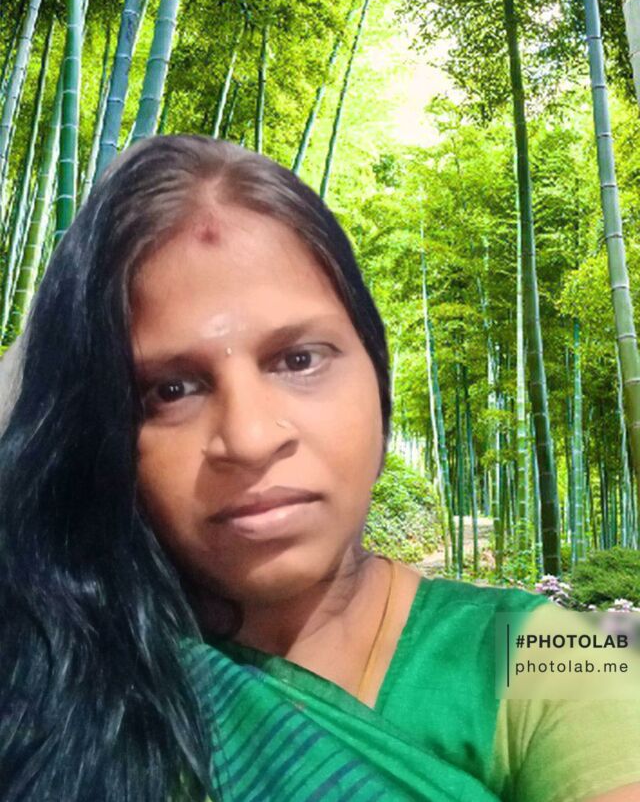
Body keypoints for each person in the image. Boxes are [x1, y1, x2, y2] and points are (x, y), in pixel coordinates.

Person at [1, 134, 639, 802]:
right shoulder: (50, 683)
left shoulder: (559, 648)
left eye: (299, 359)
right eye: (171, 389)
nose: (249, 439)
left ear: (378, 379)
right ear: (96, 434)